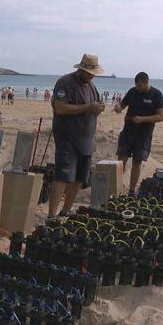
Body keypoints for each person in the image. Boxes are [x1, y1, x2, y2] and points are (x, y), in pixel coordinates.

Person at [49, 54, 105, 218]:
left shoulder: (92, 87)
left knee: (79, 178)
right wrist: (88, 107)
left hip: (86, 138)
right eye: (89, 72)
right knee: (63, 175)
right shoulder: (65, 82)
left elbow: (93, 106)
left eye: (93, 73)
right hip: (67, 136)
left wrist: (97, 109)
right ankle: (51, 215)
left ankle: (66, 210)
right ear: (81, 69)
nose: (91, 75)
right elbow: (60, 108)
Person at [114, 72, 163, 195]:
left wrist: (142, 119)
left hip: (144, 134)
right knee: (121, 160)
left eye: (140, 86)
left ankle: (131, 190)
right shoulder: (132, 92)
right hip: (128, 131)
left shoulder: (156, 94)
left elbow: (161, 116)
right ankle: (116, 187)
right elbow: (122, 104)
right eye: (136, 85)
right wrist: (118, 108)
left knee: (137, 162)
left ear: (146, 82)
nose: (138, 88)